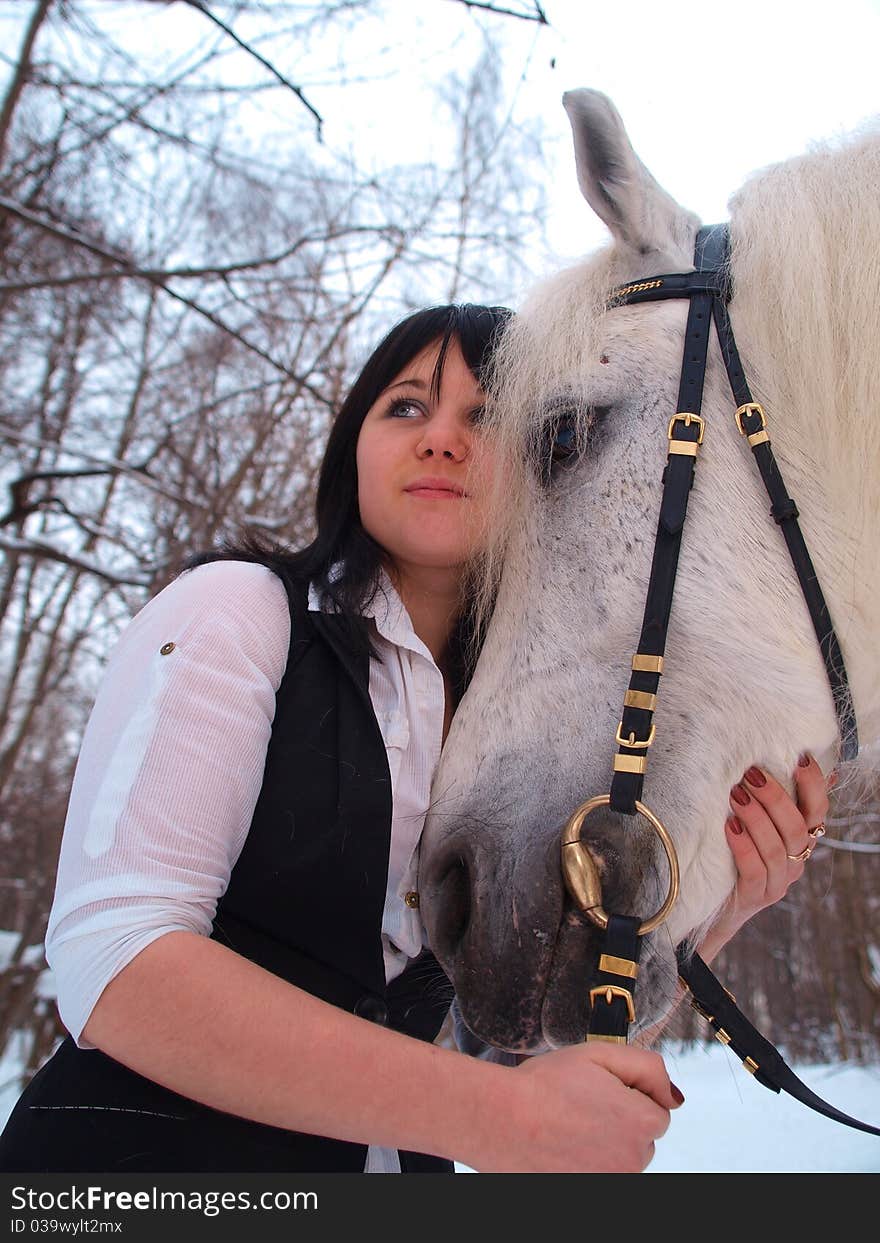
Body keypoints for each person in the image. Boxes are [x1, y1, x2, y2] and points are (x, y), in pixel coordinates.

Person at [0, 304, 833, 1175]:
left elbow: (545, 1064)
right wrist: (494, 1114)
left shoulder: (517, 729)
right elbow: (117, 959)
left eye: (487, 416)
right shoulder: (242, 610)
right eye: (405, 407)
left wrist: (725, 902)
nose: (440, 439)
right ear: (350, 449)